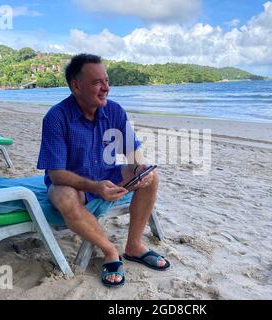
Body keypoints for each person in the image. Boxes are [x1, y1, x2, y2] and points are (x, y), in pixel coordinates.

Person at [37, 54, 170, 287]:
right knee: (62, 194)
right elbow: (56, 174)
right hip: (74, 184)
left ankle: (134, 246)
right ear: (76, 85)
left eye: (107, 81)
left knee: (151, 176)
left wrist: (140, 166)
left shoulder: (115, 111)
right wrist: (94, 187)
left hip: (107, 174)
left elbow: (133, 151)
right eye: (97, 82)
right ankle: (110, 251)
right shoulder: (56, 118)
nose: (106, 88)